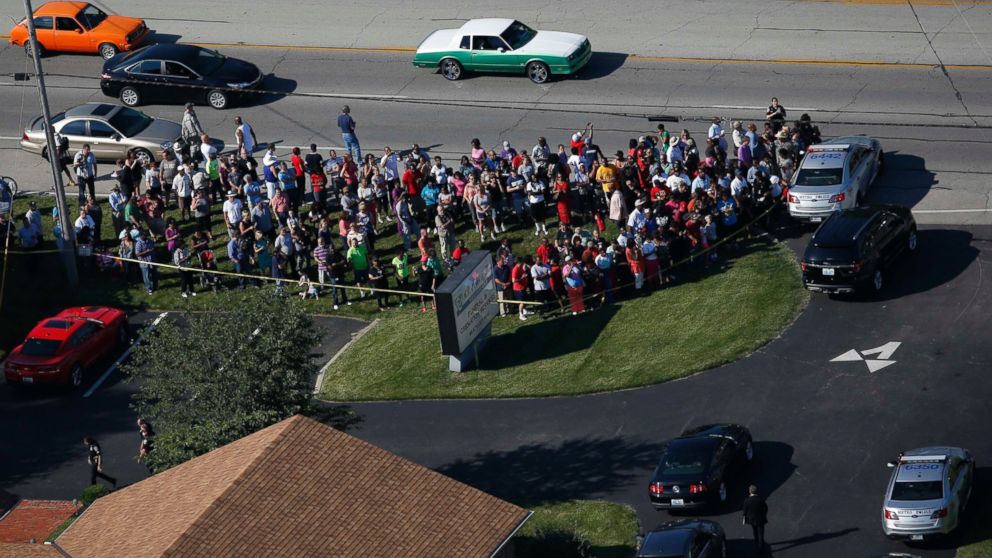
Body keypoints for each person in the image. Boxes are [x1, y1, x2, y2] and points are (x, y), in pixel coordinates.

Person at [743, 485, 768, 551]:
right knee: (761, 533)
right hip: (760, 519)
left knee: (754, 531)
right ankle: (761, 545)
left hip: (751, 519)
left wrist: (744, 519)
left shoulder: (747, 500)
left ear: (750, 491)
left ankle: (756, 542)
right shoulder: (761, 499)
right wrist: (763, 514)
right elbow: (765, 508)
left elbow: (745, 511)